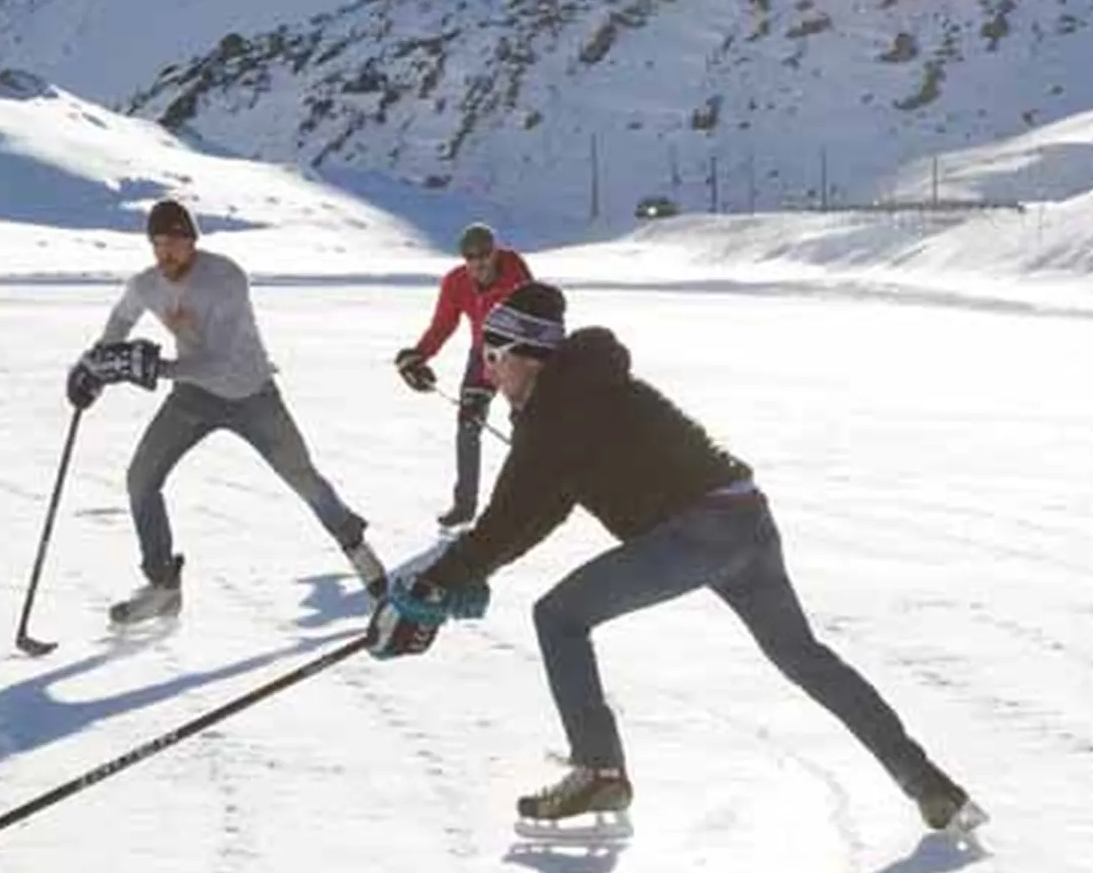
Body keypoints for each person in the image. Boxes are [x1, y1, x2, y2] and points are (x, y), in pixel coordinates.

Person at [364, 280, 978, 840]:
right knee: (804, 657)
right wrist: (465, 575)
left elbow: (508, 520)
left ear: (526, 354)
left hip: (696, 533)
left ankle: (599, 768)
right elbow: (538, 512)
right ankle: (930, 786)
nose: (489, 373)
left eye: (492, 357)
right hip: (747, 519)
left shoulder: (554, 410)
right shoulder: (581, 389)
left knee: (559, 618)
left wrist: (439, 583)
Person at [69, 198, 383, 629]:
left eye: (175, 243)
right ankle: (162, 585)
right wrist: (94, 367)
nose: (166, 253)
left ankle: (355, 546)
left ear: (193, 243)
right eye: (158, 244)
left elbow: (220, 361)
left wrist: (157, 369)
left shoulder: (225, 279)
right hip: (192, 397)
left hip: (251, 393)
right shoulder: (147, 284)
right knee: (140, 479)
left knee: (302, 476)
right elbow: (121, 319)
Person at [393, 222, 534, 528]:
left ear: (495, 252)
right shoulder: (455, 282)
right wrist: (419, 355)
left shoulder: (515, 270)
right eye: (471, 257)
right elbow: (443, 325)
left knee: (526, 429)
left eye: (484, 254)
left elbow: (534, 318)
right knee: (468, 426)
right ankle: (464, 506)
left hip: (520, 357)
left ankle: (525, 502)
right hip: (483, 356)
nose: (479, 262)